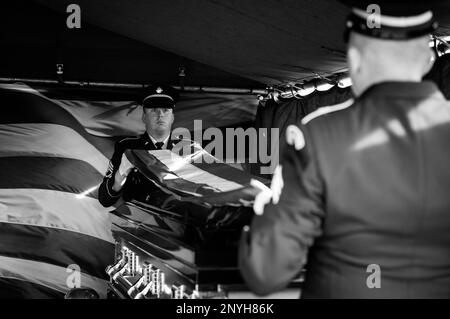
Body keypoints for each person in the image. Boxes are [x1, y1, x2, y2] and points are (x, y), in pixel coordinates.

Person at [239, 1, 450, 298]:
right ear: (429, 60)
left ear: (354, 59)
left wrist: (266, 209)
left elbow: (266, 271)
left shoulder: (317, 137)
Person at [98, 84, 181, 207]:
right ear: (144, 117)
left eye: (166, 110)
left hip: (177, 217)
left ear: (172, 117)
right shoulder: (128, 146)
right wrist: (122, 172)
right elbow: (105, 199)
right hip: (139, 218)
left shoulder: (186, 147)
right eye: (153, 110)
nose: (160, 115)